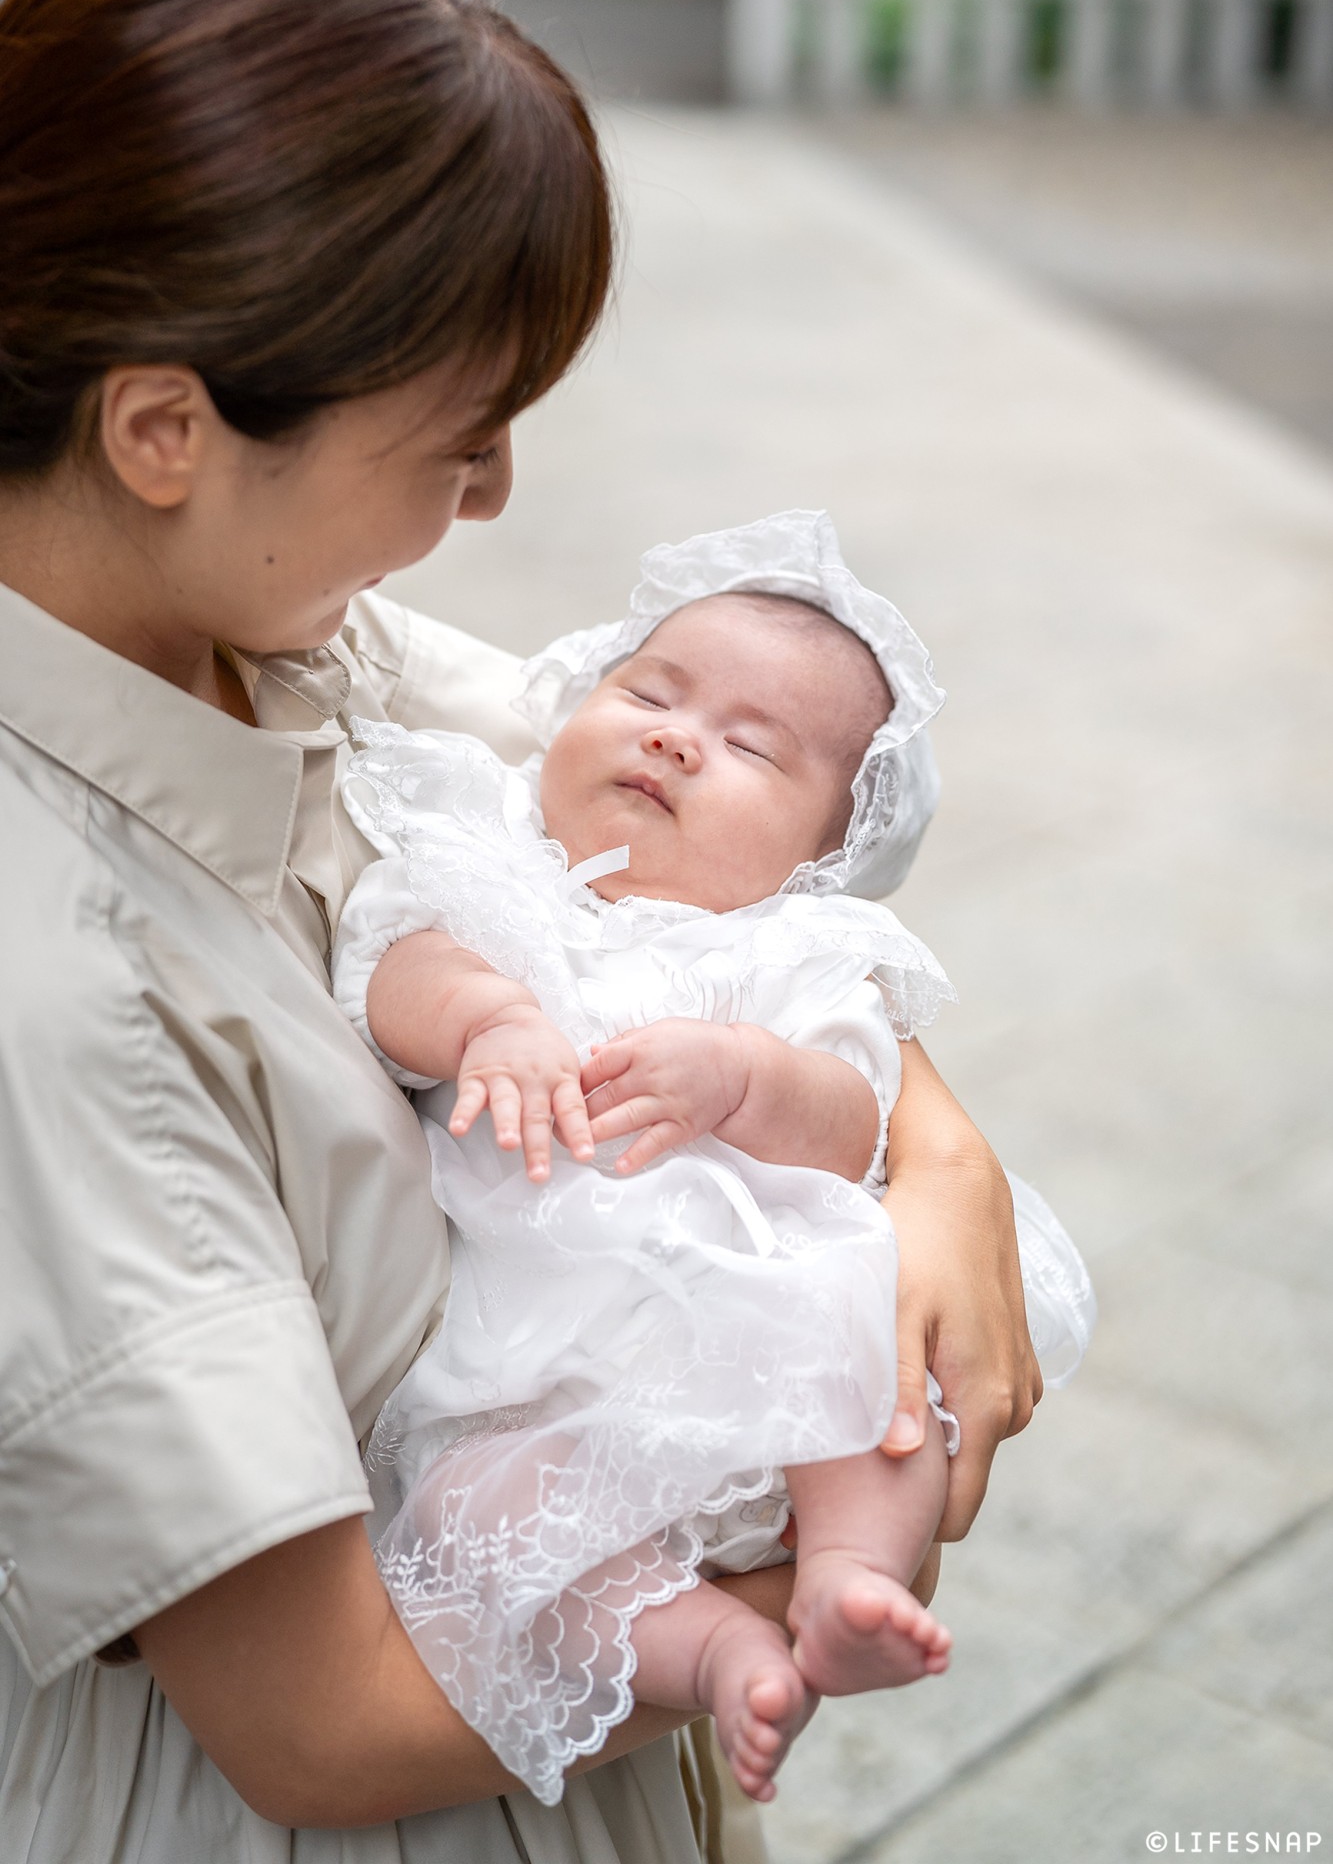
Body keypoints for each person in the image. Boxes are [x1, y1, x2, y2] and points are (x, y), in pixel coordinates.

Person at [0, 0, 1042, 1860]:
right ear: (161, 425)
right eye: (458, 435)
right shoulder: (56, 986)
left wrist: (935, 1157)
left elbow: (714, 906)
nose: (493, 498)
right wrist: (761, 1622)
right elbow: (320, 1728)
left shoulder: (292, 632)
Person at [333, 513, 1096, 1810]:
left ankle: (849, 1572)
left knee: (877, 1357)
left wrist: (746, 1078)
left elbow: (855, 1119)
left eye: (749, 747)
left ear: (819, 857)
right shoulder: (488, 861)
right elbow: (390, 963)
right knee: (468, 1523)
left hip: (751, 1318)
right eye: (648, 692)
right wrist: (486, 1017)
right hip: (534, 1376)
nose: (677, 735)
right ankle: (719, 1650)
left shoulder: (782, 955)